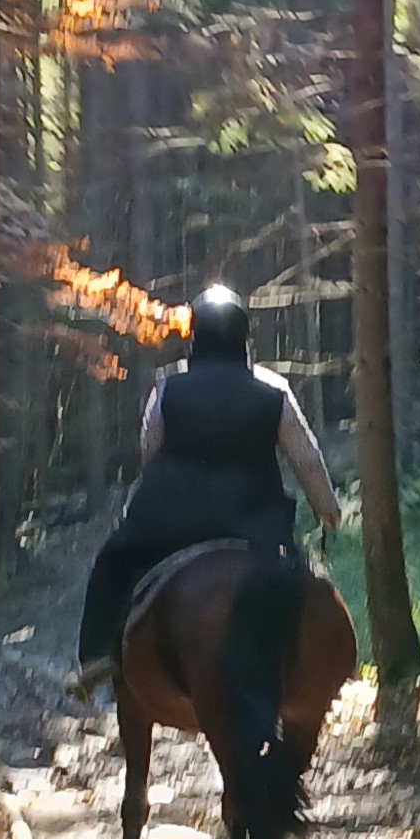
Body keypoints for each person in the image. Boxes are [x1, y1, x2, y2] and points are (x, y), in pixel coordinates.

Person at [74, 283, 343, 696]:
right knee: (299, 582)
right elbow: (304, 456)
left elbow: (150, 448)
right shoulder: (274, 391)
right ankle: (315, 665)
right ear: (243, 337)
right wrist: (327, 508)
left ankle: (96, 656)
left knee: (113, 560)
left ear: (196, 335)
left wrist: (158, 493)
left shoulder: (168, 386)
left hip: (170, 520)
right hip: (255, 524)